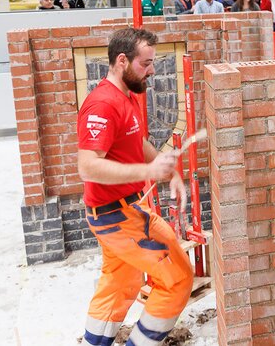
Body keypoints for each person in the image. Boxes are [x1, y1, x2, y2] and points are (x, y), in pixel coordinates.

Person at [77, 28, 193, 346]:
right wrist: (149, 170)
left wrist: (169, 174)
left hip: (119, 211)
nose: (152, 70)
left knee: (120, 283)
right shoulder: (102, 104)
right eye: (146, 63)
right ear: (122, 60)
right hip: (117, 215)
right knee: (178, 278)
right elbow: (87, 166)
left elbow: (136, 143)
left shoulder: (124, 98)